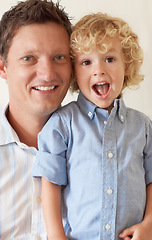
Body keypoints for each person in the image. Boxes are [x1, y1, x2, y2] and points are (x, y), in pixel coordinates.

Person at [32, 13, 152, 240]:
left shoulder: (143, 127)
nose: (99, 70)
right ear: (75, 72)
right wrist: (56, 236)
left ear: (126, 65)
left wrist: (150, 224)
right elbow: (50, 183)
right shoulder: (61, 124)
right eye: (86, 62)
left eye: (109, 59)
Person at [0, 0, 72, 239]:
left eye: (59, 57)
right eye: (29, 58)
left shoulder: (109, 146)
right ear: (3, 67)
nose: (47, 73)